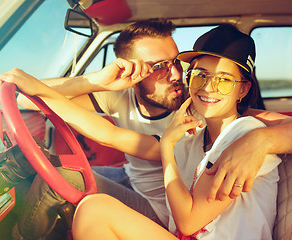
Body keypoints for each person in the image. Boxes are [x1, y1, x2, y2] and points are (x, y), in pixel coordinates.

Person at [0, 19, 292, 239]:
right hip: (162, 200)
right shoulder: (192, 128)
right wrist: (86, 81)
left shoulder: (229, 126)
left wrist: (259, 140)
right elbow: (108, 133)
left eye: (176, 63)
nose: (177, 76)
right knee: (63, 174)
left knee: (76, 189)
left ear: (242, 88)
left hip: (171, 213)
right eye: (198, 75)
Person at [70, 24, 281, 239]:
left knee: (94, 209)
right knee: (91, 206)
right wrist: (38, 90)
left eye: (224, 80)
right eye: (200, 76)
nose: (208, 88)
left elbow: (187, 223)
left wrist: (167, 148)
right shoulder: (194, 138)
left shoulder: (246, 134)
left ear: (243, 89)